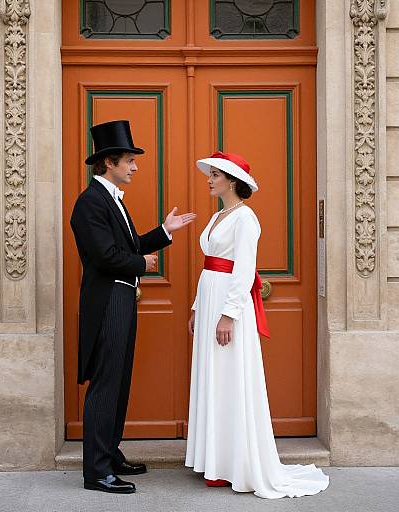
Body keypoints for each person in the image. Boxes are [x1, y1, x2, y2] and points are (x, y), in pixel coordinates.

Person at [185, 151, 329, 499]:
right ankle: (216, 461)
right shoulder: (219, 215)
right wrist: (196, 307)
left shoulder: (245, 218)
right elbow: (209, 268)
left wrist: (228, 314)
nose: (209, 179)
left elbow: (244, 269)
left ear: (232, 181)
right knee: (213, 376)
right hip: (210, 301)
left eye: (215, 174)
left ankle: (238, 463)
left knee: (231, 377)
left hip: (229, 307)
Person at [70, 120, 196, 494]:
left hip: (122, 298)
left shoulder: (111, 199)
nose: (135, 167)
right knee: (106, 383)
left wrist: (164, 231)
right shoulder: (90, 202)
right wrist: (144, 264)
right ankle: (96, 471)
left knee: (120, 381)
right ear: (109, 163)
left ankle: (109, 454)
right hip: (108, 299)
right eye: (129, 160)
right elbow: (106, 256)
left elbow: (127, 246)